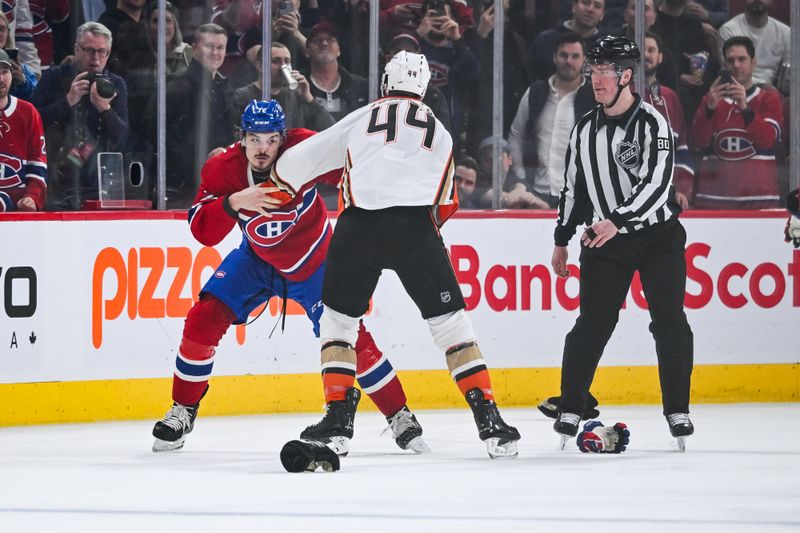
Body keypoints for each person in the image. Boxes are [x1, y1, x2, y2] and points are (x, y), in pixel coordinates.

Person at [272, 51, 520, 459]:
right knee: (452, 326)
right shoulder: (439, 131)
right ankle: (489, 419)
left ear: (386, 83)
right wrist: (417, 241)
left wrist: (280, 181)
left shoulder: (364, 115)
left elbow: (300, 162)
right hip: (415, 231)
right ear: (423, 88)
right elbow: (444, 201)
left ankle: (337, 420)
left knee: (339, 323)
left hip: (360, 227)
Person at [152, 99, 429, 455]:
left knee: (350, 337)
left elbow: (351, 168)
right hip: (256, 261)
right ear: (242, 139)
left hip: (314, 263)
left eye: (270, 140)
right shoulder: (223, 169)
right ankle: (183, 410)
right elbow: (201, 230)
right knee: (203, 317)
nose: (262, 149)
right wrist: (233, 202)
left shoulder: (305, 148)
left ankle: (399, 415)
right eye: (254, 139)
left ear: (283, 139)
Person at [551, 36, 694, 451]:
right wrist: (561, 238)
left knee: (670, 321)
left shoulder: (654, 124)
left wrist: (617, 220)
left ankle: (677, 409)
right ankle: (572, 407)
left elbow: (658, 184)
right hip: (605, 238)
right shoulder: (584, 129)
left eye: (604, 71)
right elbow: (572, 189)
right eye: (592, 70)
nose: (595, 78)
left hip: (657, 237)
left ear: (626, 75)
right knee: (592, 324)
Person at [31, 21, 129, 210]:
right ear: (76, 49)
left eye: (103, 52)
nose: (96, 58)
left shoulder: (116, 84)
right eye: (89, 50)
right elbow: (34, 123)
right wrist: (68, 100)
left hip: (99, 180)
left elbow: (123, 137)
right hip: (57, 177)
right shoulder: (55, 77)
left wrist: (105, 108)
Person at [689, 36, 783, 210]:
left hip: (760, 201)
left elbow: (768, 140)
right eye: (730, 60)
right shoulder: (710, 100)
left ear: (754, 62)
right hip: (713, 201)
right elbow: (697, 142)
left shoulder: (769, 99)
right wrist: (709, 108)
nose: (736, 65)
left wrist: (745, 108)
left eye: (742, 59)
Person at [508, 32, 595, 208]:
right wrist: (521, 179)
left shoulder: (594, 97)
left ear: (584, 60)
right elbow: (516, 136)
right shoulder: (535, 92)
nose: (568, 61)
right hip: (536, 193)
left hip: (578, 196)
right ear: (555, 57)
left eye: (575, 56)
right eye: (563, 55)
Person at [161, 23, 236, 208]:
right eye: (209, 46)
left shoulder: (221, 87)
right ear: (194, 49)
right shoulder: (179, 86)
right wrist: (202, 159)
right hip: (186, 186)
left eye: (220, 48)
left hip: (216, 180)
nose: (215, 53)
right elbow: (163, 136)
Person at [231, 43, 334, 133]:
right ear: (260, 65)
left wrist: (308, 97)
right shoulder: (242, 97)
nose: (283, 67)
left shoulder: (295, 97)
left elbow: (329, 129)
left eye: (287, 61)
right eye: (276, 61)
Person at [0, 48, 47, 211]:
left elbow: (38, 162)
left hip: (20, 211)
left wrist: (32, 196)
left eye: (4, 72)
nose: (1, 78)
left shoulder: (28, 112)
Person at [305, 21, 368, 123]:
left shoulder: (360, 86)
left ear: (338, 50)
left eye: (330, 39)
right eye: (317, 40)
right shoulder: (297, 87)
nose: (324, 43)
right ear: (307, 52)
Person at [528, 0, 605, 84]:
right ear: (574, 7)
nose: (590, 9)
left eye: (597, 6)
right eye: (585, 3)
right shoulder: (545, 40)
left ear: (602, 15)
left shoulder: (607, 49)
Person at [717, 0, 789, 87]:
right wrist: (763, 86)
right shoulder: (728, 30)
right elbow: (729, 72)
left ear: (771, 1)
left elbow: (789, 75)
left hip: (776, 91)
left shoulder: (786, 32)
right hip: (739, 88)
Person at [146, 1, 193, 77]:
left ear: (175, 26)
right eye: (156, 21)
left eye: (168, 21)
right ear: (148, 26)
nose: (162, 27)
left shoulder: (188, 54)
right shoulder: (140, 55)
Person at [0, 12, 37, 101]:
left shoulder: (20, 68)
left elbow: (39, 97)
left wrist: (23, 83)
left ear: (8, 33)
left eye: (1, 29)